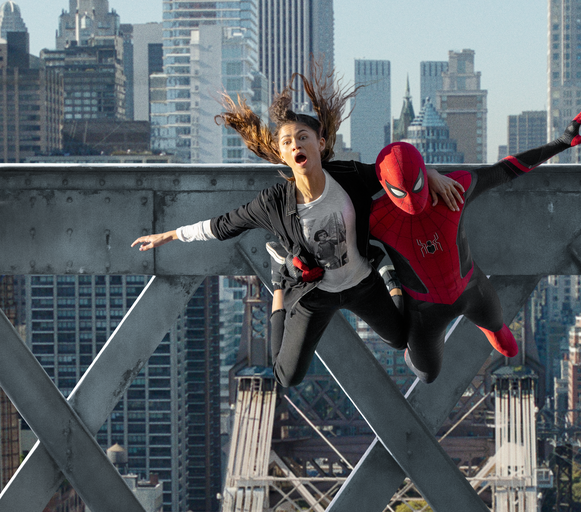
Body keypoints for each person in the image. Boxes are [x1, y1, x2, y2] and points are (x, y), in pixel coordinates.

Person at [131, 68, 461, 387]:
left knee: (402, 337)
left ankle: (388, 275)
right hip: (314, 292)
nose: (295, 145)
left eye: (303, 138)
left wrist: (430, 174)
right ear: (282, 153)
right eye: (287, 142)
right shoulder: (274, 202)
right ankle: (278, 285)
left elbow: (395, 167)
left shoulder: (347, 175)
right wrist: (173, 234)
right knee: (287, 377)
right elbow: (224, 225)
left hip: (363, 283)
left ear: (320, 143)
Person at [370, 109, 581, 383]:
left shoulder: (455, 188)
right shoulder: (376, 217)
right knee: (427, 374)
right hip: (424, 308)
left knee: (507, 345)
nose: (410, 199)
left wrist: (560, 143)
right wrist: (428, 172)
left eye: (416, 185)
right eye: (400, 192)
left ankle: (490, 328)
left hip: (471, 287)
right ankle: (394, 286)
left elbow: (505, 170)